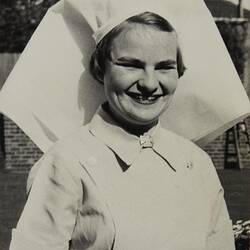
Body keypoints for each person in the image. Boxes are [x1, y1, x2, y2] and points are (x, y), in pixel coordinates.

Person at [1, 0, 250, 249]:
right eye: (131, 65)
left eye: (164, 67)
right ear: (100, 69)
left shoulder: (197, 165)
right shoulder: (66, 163)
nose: (150, 83)